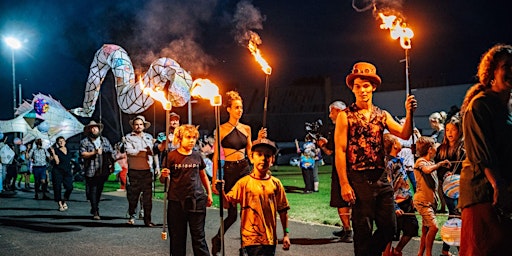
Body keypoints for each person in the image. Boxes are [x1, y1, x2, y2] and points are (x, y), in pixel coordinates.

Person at [334, 61, 417, 256]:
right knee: (362, 232)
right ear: (353, 89)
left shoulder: (382, 115)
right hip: (358, 179)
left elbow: (404, 134)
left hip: (381, 178)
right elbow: (340, 151)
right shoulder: (345, 116)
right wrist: (344, 184)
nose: (362, 90)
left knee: (390, 228)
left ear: (373, 87)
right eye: (358, 86)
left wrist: (409, 112)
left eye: (366, 85)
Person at [458, 44, 512, 256]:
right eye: (506, 66)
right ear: (491, 73)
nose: (511, 70)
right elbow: (481, 152)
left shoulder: (508, 107)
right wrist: (497, 184)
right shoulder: (480, 105)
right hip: (483, 193)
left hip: (505, 191)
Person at [210, 90, 265, 255]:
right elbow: (215, 158)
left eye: (241, 108)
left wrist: (259, 140)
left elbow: (250, 153)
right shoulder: (220, 129)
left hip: (244, 169)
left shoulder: (246, 128)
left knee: (247, 211)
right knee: (232, 215)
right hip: (229, 170)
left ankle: (244, 247)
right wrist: (214, 180)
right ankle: (217, 238)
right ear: (228, 109)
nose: (240, 110)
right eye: (236, 107)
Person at [218, 138, 291, 255]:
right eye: (259, 154)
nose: (263, 158)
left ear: (272, 160)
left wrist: (286, 234)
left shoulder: (276, 183)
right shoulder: (243, 183)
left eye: (268, 155)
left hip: (269, 240)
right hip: (249, 241)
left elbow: (283, 211)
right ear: (251, 158)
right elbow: (227, 204)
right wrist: (221, 190)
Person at [160, 124, 212, 256]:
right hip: (176, 201)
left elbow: (203, 175)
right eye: (188, 137)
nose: (192, 140)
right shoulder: (171, 156)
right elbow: (162, 180)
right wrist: (163, 175)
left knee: (198, 237)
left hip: (197, 199)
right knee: (177, 238)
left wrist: (209, 193)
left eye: (194, 137)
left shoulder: (197, 156)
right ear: (180, 138)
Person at [317, 100, 353, 242]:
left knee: (340, 200)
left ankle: (348, 230)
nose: (330, 115)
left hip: (340, 169)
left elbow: (331, 151)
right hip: (355, 168)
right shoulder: (353, 126)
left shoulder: (338, 128)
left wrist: (322, 145)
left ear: (338, 111)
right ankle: (347, 229)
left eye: (331, 112)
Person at [413, 136, 450, 256]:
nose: (436, 149)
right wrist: (439, 164)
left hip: (431, 201)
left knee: (426, 230)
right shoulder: (420, 161)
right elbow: (427, 170)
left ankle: (420, 254)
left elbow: (433, 176)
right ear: (429, 149)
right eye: (434, 146)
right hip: (422, 201)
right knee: (434, 227)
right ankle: (428, 253)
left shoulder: (431, 162)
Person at [383, 133, 418, 256]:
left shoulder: (399, 160)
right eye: (397, 141)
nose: (400, 142)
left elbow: (404, 182)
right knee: (391, 231)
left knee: (412, 227)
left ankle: (397, 250)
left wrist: (410, 197)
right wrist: (395, 206)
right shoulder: (389, 163)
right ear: (393, 145)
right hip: (395, 203)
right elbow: (388, 186)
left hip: (406, 200)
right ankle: (386, 253)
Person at [434, 115, 464, 256]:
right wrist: (444, 174)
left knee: (455, 217)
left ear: (459, 131)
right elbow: (438, 168)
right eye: (447, 130)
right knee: (455, 215)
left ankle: (446, 250)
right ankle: (456, 250)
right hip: (448, 189)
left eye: (453, 130)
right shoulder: (441, 149)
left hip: (462, 188)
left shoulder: (463, 149)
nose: (450, 133)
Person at [124, 115, 159, 227]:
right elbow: (129, 151)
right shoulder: (128, 137)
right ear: (133, 126)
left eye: (140, 124)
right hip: (134, 171)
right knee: (133, 195)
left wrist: (157, 166)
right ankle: (131, 215)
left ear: (144, 126)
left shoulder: (149, 137)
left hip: (147, 171)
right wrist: (143, 152)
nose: (138, 126)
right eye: (136, 124)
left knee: (147, 197)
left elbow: (154, 153)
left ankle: (147, 220)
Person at [80, 120, 115, 220]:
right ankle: (95, 210)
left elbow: (111, 153)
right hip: (91, 169)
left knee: (99, 190)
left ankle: (95, 205)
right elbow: (83, 154)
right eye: (92, 128)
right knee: (93, 189)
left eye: (95, 127)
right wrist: (94, 152)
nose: (94, 129)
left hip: (103, 170)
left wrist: (112, 164)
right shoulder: (85, 141)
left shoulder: (104, 140)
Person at [49, 136, 74, 211]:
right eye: (59, 141)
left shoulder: (68, 150)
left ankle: (64, 200)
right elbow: (57, 162)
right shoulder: (56, 150)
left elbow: (69, 160)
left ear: (65, 141)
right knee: (57, 187)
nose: (61, 142)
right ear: (57, 143)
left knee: (69, 187)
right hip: (58, 171)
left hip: (67, 171)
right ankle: (60, 204)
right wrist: (53, 153)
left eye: (62, 141)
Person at [396, 117, 421, 192]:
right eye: (400, 122)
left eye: (403, 122)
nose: (401, 124)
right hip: (400, 161)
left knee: (414, 183)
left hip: (409, 161)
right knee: (400, 183)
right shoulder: (397, 134)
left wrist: (417, 134)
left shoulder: (412, 135)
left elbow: (418, 145)